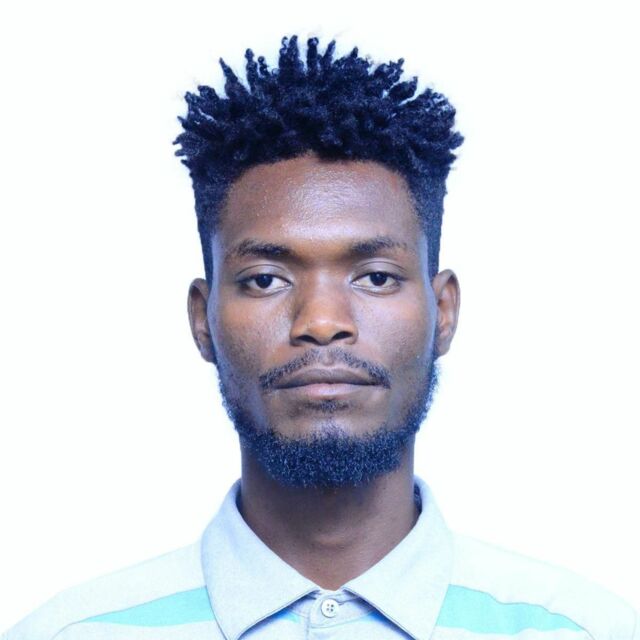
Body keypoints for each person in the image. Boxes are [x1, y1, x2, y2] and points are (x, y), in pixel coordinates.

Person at [3, 34, 637, 640]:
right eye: (266, 280)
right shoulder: (72, 633)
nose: (322, 321)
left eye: (376, 277)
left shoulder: (583, 630)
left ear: (443, 311)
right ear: (203, 319)